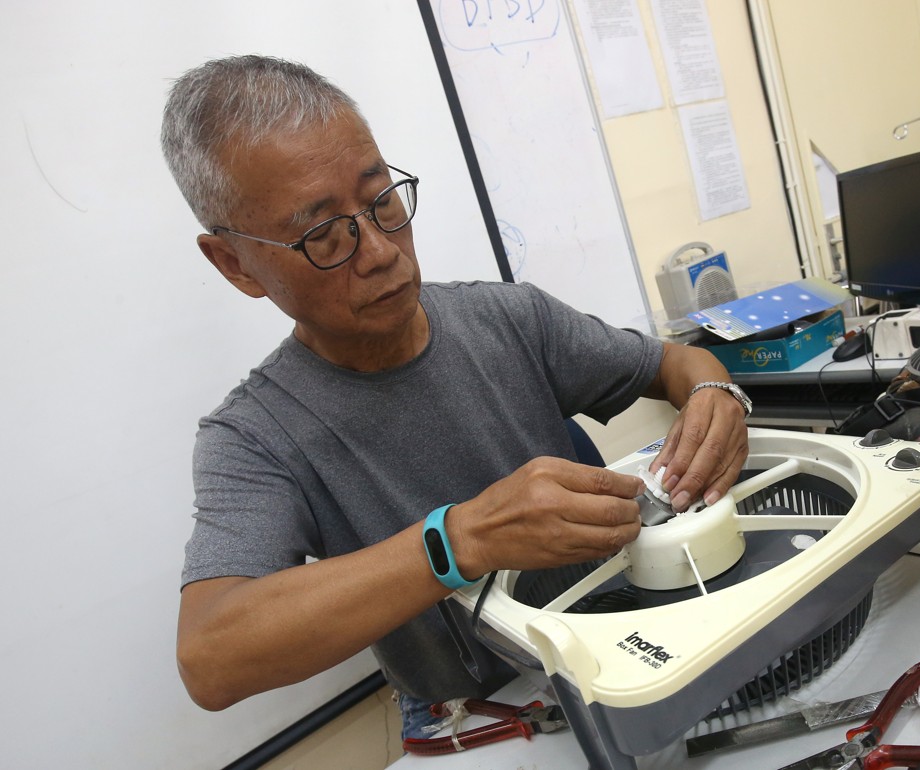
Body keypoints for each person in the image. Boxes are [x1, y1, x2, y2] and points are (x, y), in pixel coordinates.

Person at [160, 55, 751, 737]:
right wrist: (459, 540)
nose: (381, 251)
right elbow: (211, 657)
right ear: (235, 264)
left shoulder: (509, 319)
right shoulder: (254, 436)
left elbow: (677, 362)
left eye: (383, 201)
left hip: (631, 640)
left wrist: (715, 389)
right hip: (485, 710)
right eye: (323, 235)